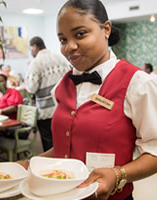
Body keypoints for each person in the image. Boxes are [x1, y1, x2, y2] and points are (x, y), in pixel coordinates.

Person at [19, 1, 157, 200]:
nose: (70, 47)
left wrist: (118, 175)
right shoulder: (62, 85)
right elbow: (65, 145)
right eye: (63, 39)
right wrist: (32, 163)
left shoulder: (138, 83)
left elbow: (154, 152)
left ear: (106, 29)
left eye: (80, 34)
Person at [25, 36, 70, 151]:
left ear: (35, 47)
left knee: (49, 143)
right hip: (64, 108)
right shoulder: (61, 58)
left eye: (30, 49)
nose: (31, 52)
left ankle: (51, 168)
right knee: (64, 141)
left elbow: (31, 88)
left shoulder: (35, 63)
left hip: (46, 112)